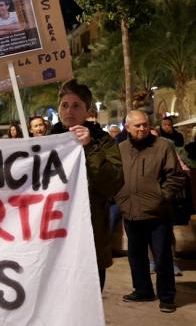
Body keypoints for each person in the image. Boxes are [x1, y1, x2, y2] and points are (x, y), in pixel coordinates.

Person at [49, 79, 123, 290]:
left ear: (87, 111)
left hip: (89, 237)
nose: (69, 111)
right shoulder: (46, 141)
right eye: (64, 105)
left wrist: (90, 148)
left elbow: (113, 183)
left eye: (76, 106)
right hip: (53, 236)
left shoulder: (102, 141)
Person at [115, 110, 187, 313]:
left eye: (145, 124)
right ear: (127, 128)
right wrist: (121, 198)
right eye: (137, 125)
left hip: (158, 213)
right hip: (130, 211)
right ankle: (143, 290)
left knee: (162, 256)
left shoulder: (163, 146)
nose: (142, 128)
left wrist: (161, 197)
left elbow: (176, 177)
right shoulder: (120, 148)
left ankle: (166, 296)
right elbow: (115, 176)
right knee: (136, 255)